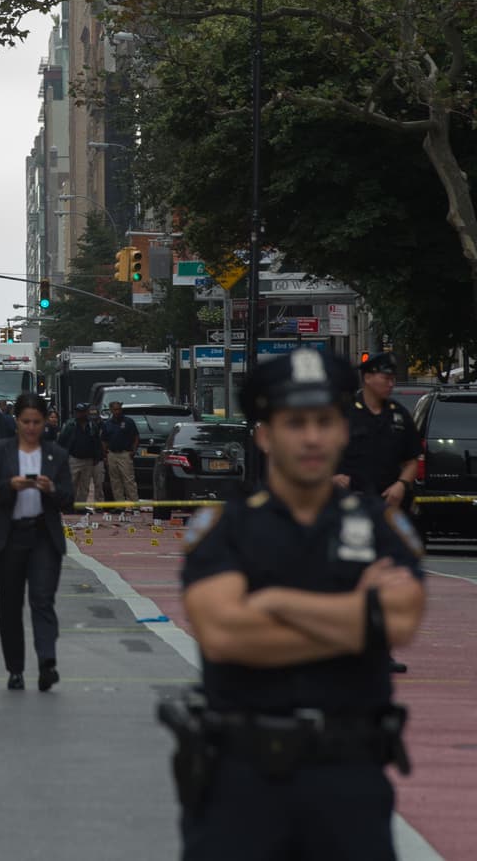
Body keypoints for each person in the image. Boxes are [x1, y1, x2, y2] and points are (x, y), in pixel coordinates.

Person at [171, 348, 425, 859]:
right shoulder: (226, 529)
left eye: (324, 421)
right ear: (265, 435)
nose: (311, 437)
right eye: (294, 423)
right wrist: (358, 614)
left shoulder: (380, 527)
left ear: (342, 431)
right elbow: (224, 634)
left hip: (349, 777)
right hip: (242, 782)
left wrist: (273, 600)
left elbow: (398, 620)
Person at [0, 393, 74, 691]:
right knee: (9, 604)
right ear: (16, 421)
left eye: (37, 422)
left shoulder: (57, 455)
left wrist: (51, 488)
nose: (31, 428)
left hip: (43, 535)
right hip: (7, 538)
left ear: (45, 423)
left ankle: (47, 663)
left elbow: (68, 500)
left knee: (42, 599)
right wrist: (10, 486)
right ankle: (15, 669)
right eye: (26, 422)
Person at [335, 352, 420, 510]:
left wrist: (401, 485)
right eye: (386, 378)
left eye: (393, 379)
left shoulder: (399, 414)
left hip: (389, 502)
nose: (391, 384)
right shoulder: (344, 412)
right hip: (351, 502)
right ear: (367, 378)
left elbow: (412, 461)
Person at [58, 403, 102, 506]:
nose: (79, 414)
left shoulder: (92, 426)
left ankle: (80, 506)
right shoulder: (70, 425)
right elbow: (62, 441)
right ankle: (69, 505)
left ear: (86, 412)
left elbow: (97, 442)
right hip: (74, 458)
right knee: (71, 483)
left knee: (84, 486)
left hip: (88, 459)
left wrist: (97, 457)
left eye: (81, 411)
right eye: (77, 412)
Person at [102, 401, 140, 504]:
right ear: (111, 410)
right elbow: (104, 440)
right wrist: (105, 455)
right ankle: (120, 505)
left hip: (125, 453)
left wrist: (133, 451)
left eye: (119, 409)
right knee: (115, 481)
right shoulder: (107, 424)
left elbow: (136, 437)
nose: (117, 411)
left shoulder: (128, 422)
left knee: (129, 480)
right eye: (115, 409)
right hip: (112, 454)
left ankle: (134, 504)